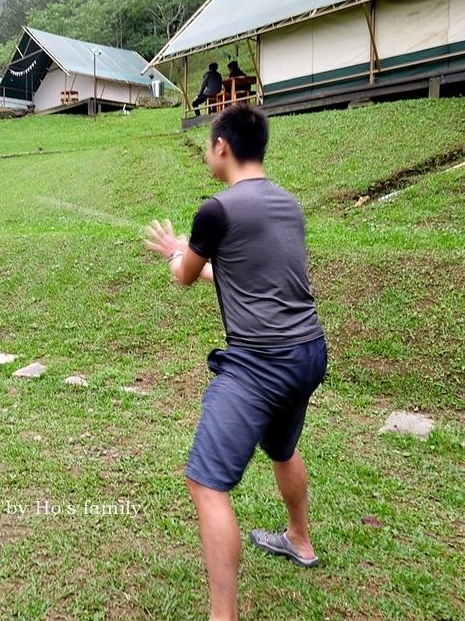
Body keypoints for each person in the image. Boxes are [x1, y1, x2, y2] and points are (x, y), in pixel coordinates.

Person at [143, 105, 327, 621]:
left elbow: (185, 276)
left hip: (260, 364)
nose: (207, 152)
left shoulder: (216, 211)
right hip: (307, 352)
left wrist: (175, 252)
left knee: (206, 483)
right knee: (283, 446)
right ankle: (299, 540)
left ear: (222, 147)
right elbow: (240, 280)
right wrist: (188, 252)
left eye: (209, 144)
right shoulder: (289, 205)